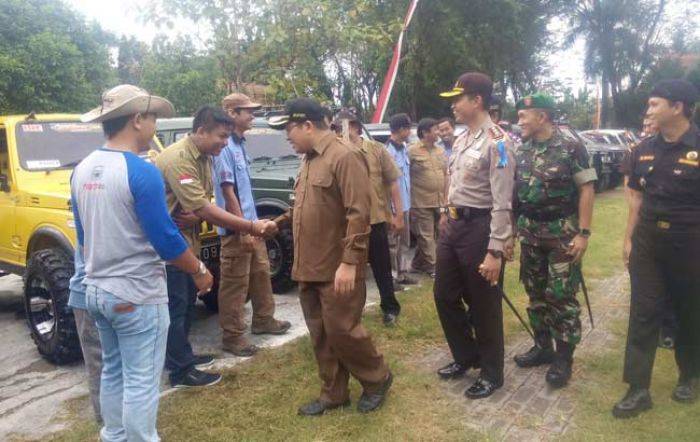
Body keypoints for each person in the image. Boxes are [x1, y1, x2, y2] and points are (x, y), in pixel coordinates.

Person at [73, 84, 214, 441]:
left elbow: (84, 237)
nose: (154, 126)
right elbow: (166, 239)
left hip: (98, 291)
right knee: (140, 380)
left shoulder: (83, 169)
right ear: (137, 120)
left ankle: (114, 436)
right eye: (152, 118)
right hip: (136, 293)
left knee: (114, 372)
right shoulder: (141, 171)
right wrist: (198, 269)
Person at [268, 98, 392, 415]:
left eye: (289, 129)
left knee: (343, 330)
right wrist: (277, 222)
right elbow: (308, 205)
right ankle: (334, 392)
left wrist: (350, 263)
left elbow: (359, 213)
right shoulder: (309, 159)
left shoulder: (344, 156)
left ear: (308, 125)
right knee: (320, 333)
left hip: (336, 265)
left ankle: (378, 378)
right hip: (308, 264)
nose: (287, 136)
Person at [155, 106, 276, 387]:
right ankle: (180, 371)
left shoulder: (206, 156)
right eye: (221, 136)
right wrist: (249, 225)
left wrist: (197, 212)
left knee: (185, 304)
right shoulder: (179, 159)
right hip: (171, 246)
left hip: (187, 240)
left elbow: (200, 204)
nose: (224, 142)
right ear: (200, 131)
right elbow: (203, 207)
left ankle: (180, 356)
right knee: (177, 305)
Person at [613, 79, 700, 418]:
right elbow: (635, 196)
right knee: (644, 312)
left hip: (691, 242)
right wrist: (629, 238)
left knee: (689, 310)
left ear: (677, 107)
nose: (648, 111)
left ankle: (689, 375)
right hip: (649, 241)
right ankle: (638, 389)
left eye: (654, 104)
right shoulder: (643, 148)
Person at [433, 72, 515, 399]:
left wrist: (496, 250)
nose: (453, 106)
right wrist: (444, 211)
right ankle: (467, 357)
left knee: (484, 303)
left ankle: (492, 373)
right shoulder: (463, 137)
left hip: (481, 229)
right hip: (453, 226)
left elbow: (503, 199)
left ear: (476, 100)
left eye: (457, 99)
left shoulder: (498, 142)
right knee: (444, 294)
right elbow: (454, 180)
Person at [512, 93, 597, 388]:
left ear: (542, 117)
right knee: (535, 293)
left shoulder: (571, 147)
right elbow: (516, 195)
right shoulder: (522, 149)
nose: (519, 121)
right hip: (531, 233)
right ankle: (543, 347)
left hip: (562, 233)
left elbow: (587, 188)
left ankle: (564, 358)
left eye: (524, 116)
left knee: (561, 296)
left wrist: (583, 233)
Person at [212, 93, 292, 356]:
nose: (253, 115)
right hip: (238, 229)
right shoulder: (224, 147)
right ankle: (233, 337)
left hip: (250, 224)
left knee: (261, 273)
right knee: (235, 284)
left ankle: (263, 320)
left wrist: (252, 225)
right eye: (248, 111)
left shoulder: (239, 144)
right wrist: (243, 228)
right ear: (233, 113)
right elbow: (228, 190)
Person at [334, 108, 404, 326]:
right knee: (351, 269)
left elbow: (393, 181)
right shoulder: (335, 152)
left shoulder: (376, 150)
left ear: (355, 126)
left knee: (382, 267)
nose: (339, 131)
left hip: (374, 220)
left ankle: (390, 308)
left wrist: (398, 213)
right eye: (336, 127)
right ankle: (353, 312)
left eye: (343, 126)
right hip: (347, 223)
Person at [621, 117, 677, 350]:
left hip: (677, 228)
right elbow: (630, 185)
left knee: (672, 282)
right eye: (643, 125)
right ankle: (650, 329)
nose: (647, 128)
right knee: (647, 286)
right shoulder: (637, 150)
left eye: (650, 124)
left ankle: (670, 327)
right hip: (645, 223)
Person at [408, 117, 447, 278]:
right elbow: (402, 175)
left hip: (440, 200)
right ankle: (434, 267)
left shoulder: (440, 150)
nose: (438, 132)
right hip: (420, 201)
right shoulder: (411, 151)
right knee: (426, 236)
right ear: (425, 132)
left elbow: (446, 173)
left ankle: (417, 264)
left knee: (439, 234)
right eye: (435, 129)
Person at [68, 248, 102, 424]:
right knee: (101, 367)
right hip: (90, 296)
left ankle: (113, 427)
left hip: (92, 296)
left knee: (104, 368)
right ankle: (109, 427)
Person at [385, 113, 418, 286]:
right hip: (393, 207)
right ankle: (391, 277)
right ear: (400, 129)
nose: (410, 131)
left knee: (405, 242)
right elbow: (388, 184)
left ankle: (402, 273)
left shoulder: (404, 148)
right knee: (392, 243)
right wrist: (394, 211)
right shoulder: (386, 152)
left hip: (405, 204)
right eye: (408, 128)